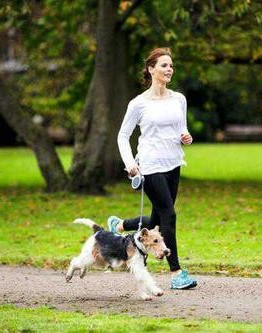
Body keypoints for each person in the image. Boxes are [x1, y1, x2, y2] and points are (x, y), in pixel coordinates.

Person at [108, 47, 197, 290]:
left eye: (171, 65)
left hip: (173, 162)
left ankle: (120, 225)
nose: (169, 69)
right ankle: (177, 273)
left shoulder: (179, 98)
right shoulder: (138, 103)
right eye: (164, 65)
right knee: (169, 214)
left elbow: (181, 129)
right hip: (150, 165)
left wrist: (185, 137)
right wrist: (130, 164)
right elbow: (122, 136)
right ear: (151, 69)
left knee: (158, 218)